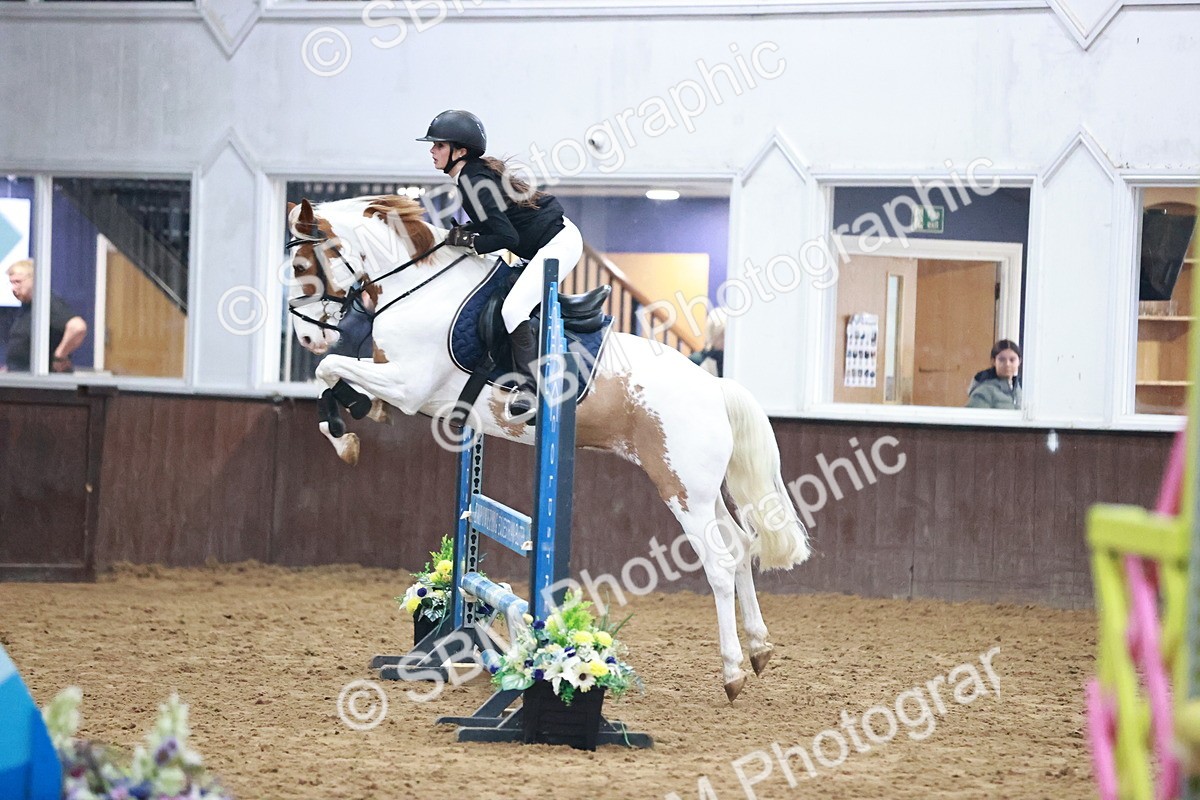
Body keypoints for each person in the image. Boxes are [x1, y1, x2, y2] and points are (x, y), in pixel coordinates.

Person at [417, 110, 583, 417]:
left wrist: (469, 243)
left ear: (460, 151)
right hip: (548, 240)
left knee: (513, 309)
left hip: (559, 242)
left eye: (439, 145)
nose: (432, 150)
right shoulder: (471, 175)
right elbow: (500, 226)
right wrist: (469, 234)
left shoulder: (472, 181)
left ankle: (531, 389)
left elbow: (506, 236)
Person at [4, 259, 87, 373]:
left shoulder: (48, 302)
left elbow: (78, 327)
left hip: (42, 381)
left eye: (18, 282)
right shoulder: (27, 306)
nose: (14, 288)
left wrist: (60, 355)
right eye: (12, 283)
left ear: (34, 279)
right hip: (21, 376)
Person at [967, 339, 1022, 409]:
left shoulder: (1019, 390)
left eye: (1012, 360)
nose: (1007, 364)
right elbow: (975, 418)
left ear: (1019, 362)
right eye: (1002, 360)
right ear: (993, 361)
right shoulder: (984, 391)